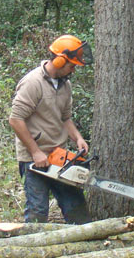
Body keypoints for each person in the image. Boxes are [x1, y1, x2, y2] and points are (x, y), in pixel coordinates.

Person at [9, 34, 93, 224]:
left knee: (76, 208)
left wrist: (77, 138)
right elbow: (15, 120)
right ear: (59, 60)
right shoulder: (33, 82)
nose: (73, 70)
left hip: (58, 156)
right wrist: (35, 152)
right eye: (71, 65)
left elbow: (65, 118)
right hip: (34, 159)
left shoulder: (66, 85)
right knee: (37, 212)